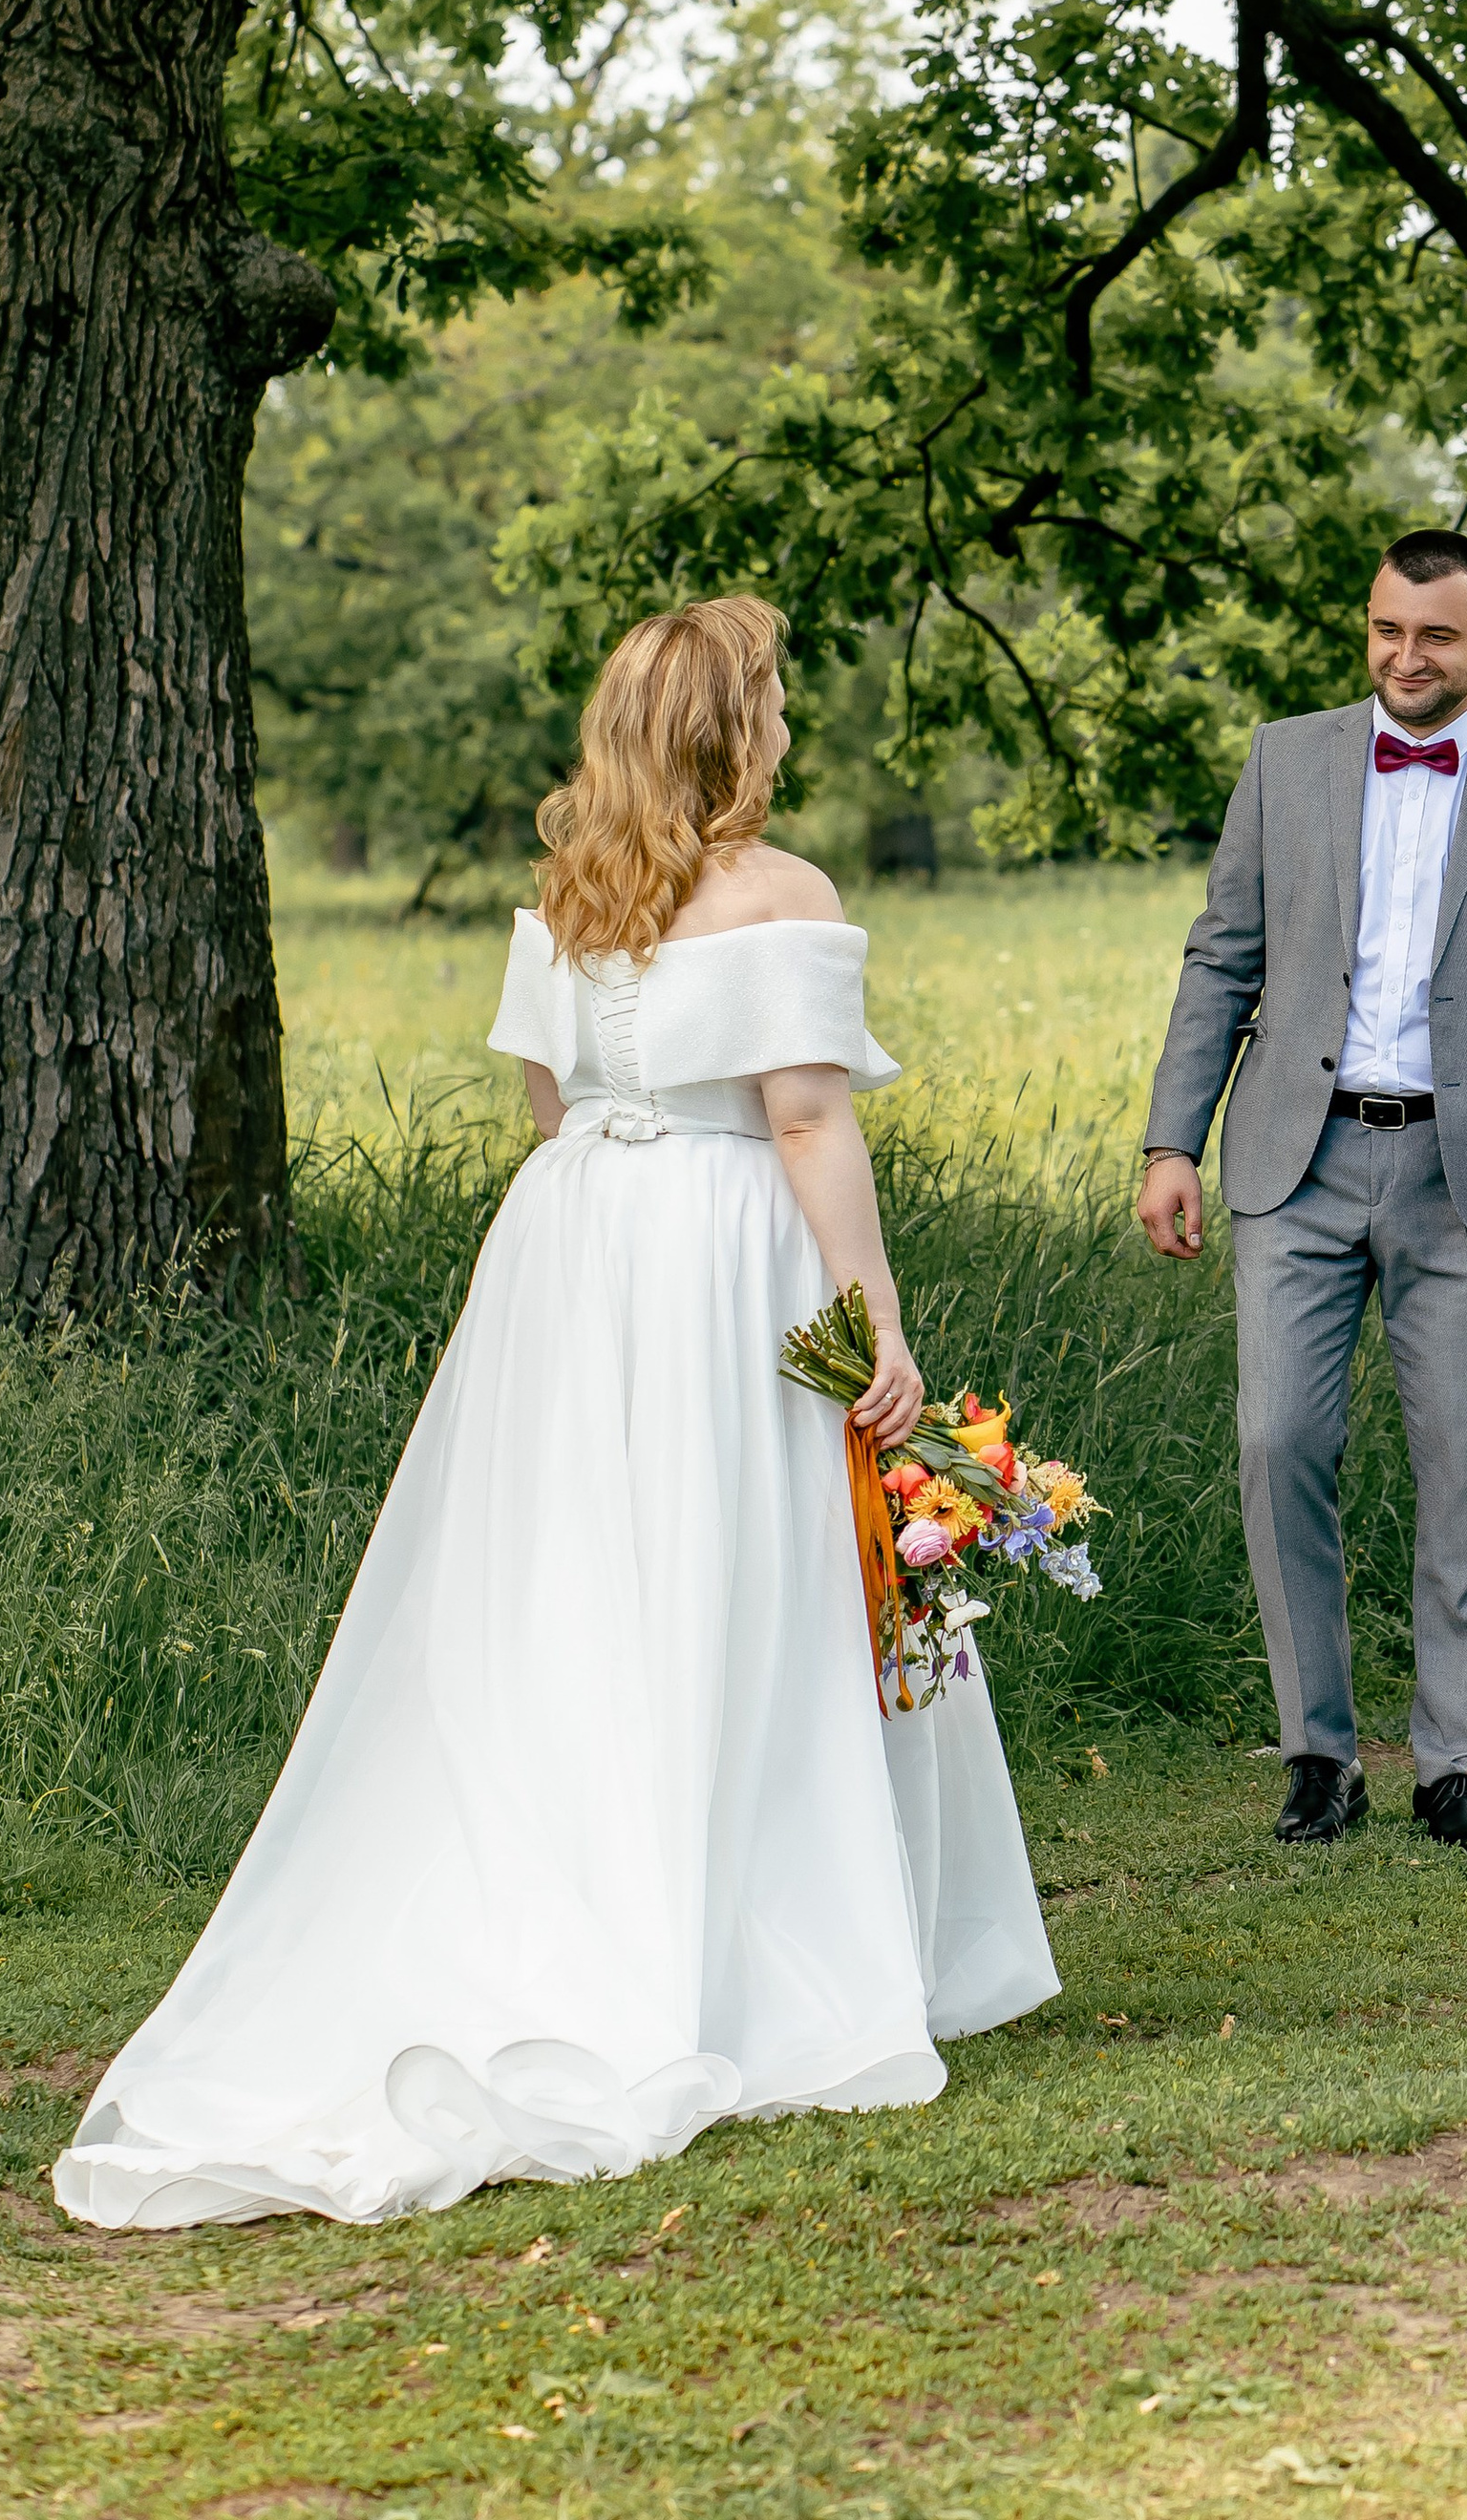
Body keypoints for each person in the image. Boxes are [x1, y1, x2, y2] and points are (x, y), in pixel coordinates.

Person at [55, 596, 1055, 2231]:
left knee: (575, 1579)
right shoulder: (781, 892)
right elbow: (806, 1120)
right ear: (738, 725)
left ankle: (580, 1878)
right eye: (778, 697)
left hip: (574, 1257)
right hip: (722, 1257)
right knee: (736, 1571)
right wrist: (876, 1315)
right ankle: (737, 1936)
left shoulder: (566, 898)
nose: (791, 721)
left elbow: (554, 1105)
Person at [1139, 532, 1467, 1853]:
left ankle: (1454, 1764)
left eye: (1438, 636)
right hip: (1292, 1158)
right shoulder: (1282, 759)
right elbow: (1220, 956)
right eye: (1387, 630)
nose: (1408, 656)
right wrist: (1169, 1139)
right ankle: (1318, 1751)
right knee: (1277, 1441)